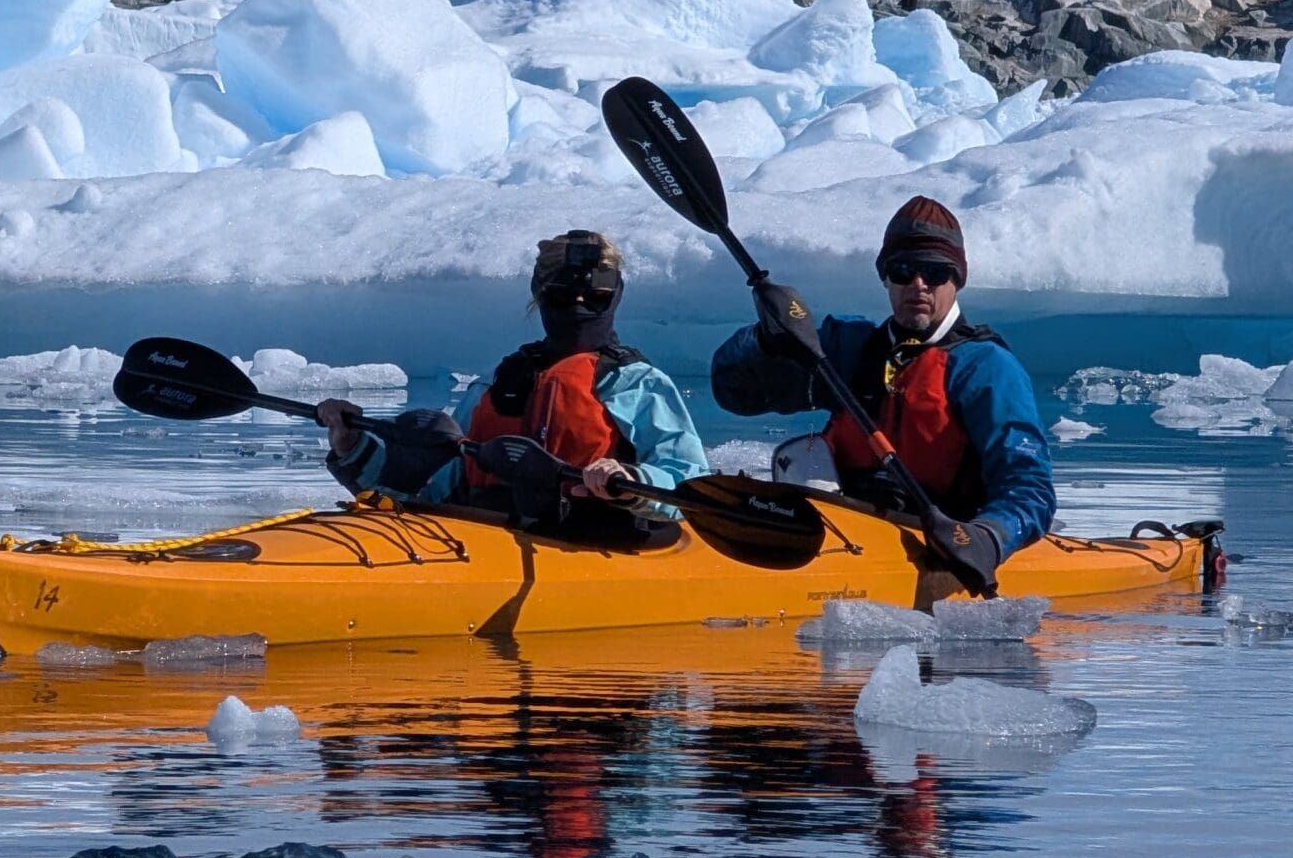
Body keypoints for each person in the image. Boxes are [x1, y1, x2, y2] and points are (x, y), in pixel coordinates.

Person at [709, 196, 1053, 593]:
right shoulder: (845, 349)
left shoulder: (986, 369)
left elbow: (1031, 489)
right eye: (903, 270)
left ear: (957, 279)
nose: (918, 284)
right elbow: (733, 392)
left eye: (935, 272)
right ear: (885, 276)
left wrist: (989, 537)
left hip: (942, 543)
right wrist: (762, 341)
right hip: (843, 531)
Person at [316, 229, 708, 531]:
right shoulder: (498, 382)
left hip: (595, 543)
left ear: (614, 298)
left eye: (595, 298)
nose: (579, 308)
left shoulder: (636, 384)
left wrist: (631, 478)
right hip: (483, 538)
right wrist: (355, 449)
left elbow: (691, 487)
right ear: (540, 296)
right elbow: (432, 490)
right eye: (562, 297)